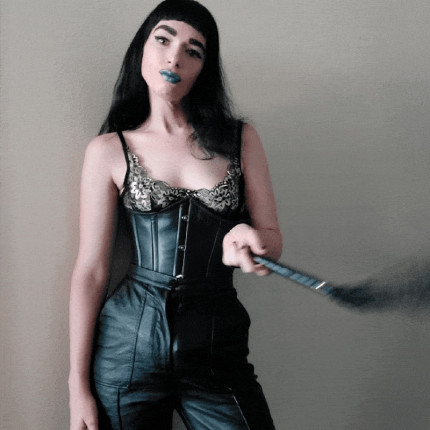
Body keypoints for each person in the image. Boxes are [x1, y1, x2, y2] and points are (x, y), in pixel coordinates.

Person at [69, 1, 282, 429]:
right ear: (142, 49)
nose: (174, 58)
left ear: (204, 68)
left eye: (193, 51)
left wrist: (251, 239)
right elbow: (92, 271)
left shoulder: (240, 139)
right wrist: (77, 388)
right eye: (163, 40)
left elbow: (272, 241)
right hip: (127, 354)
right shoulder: (109, 150)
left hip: (217, 353)